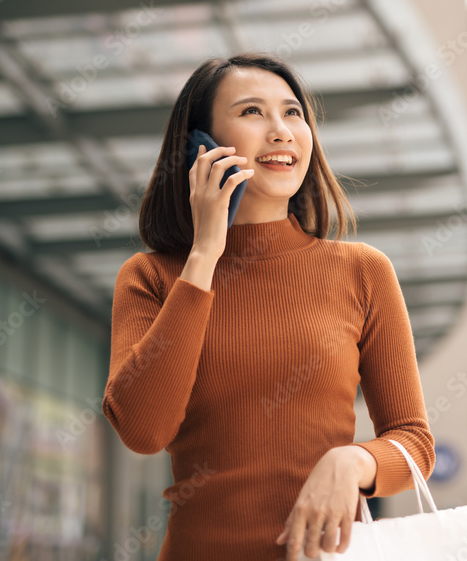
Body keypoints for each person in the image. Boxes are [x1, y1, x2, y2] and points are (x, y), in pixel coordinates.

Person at [102, 52, 435, 560]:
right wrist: (205, 254)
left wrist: (353, 462)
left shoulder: (363, 271)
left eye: (293, 113)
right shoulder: (150, 277)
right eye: (253, 112)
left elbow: (414, 444)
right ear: (200, 145)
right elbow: (144, 430)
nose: (281, 131)